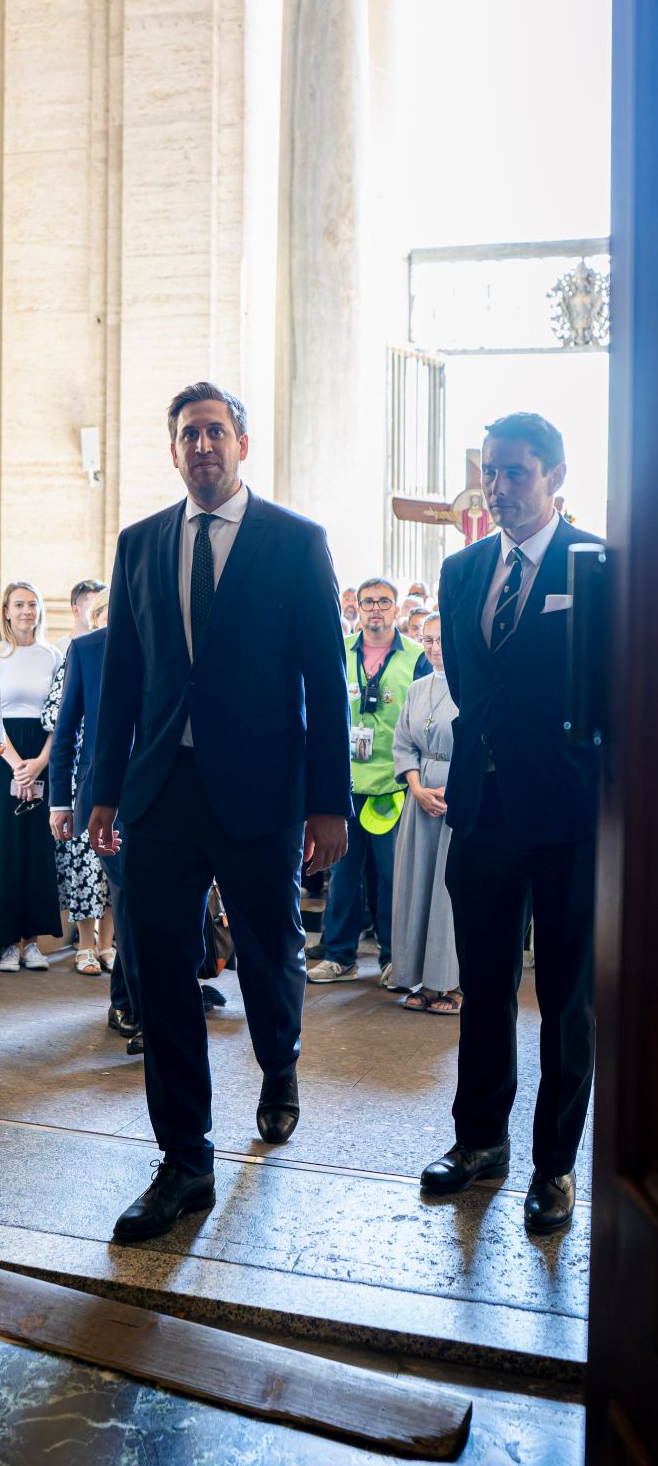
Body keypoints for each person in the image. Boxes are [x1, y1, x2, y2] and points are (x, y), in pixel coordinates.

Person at [90, 380, 351, 1242]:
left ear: (241, 442)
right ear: (172, 452)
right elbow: (120, 682)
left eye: (214, 431)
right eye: (186, 435)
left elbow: (325, 682)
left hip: (260, 793)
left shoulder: (294, 542)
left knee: (271, 953)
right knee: (159, 970)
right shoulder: (138, 545)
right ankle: (183, 1162)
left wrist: (326, 805)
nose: (201, 446)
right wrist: (98, 790)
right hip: (161, 791)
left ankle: (279, 1063)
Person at [421, 412, 601, 1235]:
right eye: (490, 471)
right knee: (484, 988)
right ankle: (478, 1142)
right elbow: (468, 684)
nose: (498, 488)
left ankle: (554, 1166)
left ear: (554, 476)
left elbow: (611, 691)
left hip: (566, 815)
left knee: (564, 1000)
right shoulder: (460, 571)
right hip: (483, 810)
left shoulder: (596, 566)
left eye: (516, 472)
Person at [309, 578, 420, 987]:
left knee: (393, 877)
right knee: (341, 874)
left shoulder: (414, 656)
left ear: (396, 610)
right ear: (358, 606)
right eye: (369, 601)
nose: (376, 609)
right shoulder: (341, 649)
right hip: (346, 783)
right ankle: (340, 956)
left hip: (394, 785)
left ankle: (394, 959)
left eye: (384, 602)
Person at [49, 593, 141, 1050]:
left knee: (140, 903)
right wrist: (59, 802)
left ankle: (130, 999)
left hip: (160, 795)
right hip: (102, 796)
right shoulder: (86, 650)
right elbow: (66, 729)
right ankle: (133, 1005)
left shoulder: (166, 642)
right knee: (128, 899)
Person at [0, 582, 63, 971]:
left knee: (37, 847)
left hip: (42, 753)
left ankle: (32, 941)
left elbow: (60, 715)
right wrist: (17, 763)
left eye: (33, 604)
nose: (27, 611)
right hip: (3, 753)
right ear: (6, 610)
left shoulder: (53, 655)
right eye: (19, 604)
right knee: (4, 848)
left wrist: (40, 763)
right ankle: (7, 945)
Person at [389, 614, 461, 1015]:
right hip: (420, 803)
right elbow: (403, 744)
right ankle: (419, 980)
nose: (434, 648)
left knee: (449, 894)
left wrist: (453, 790)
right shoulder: (417, 690)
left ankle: (451, 984)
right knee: (416, 888)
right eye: (428, 640)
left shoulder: (471, 683)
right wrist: (416, 788)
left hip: (457, 800)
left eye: (441, 639)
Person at [62, 578, 106, 651]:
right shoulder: (60, 650)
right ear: (76, 610)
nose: (102, 613)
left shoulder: (109, 645)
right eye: (95, 607)